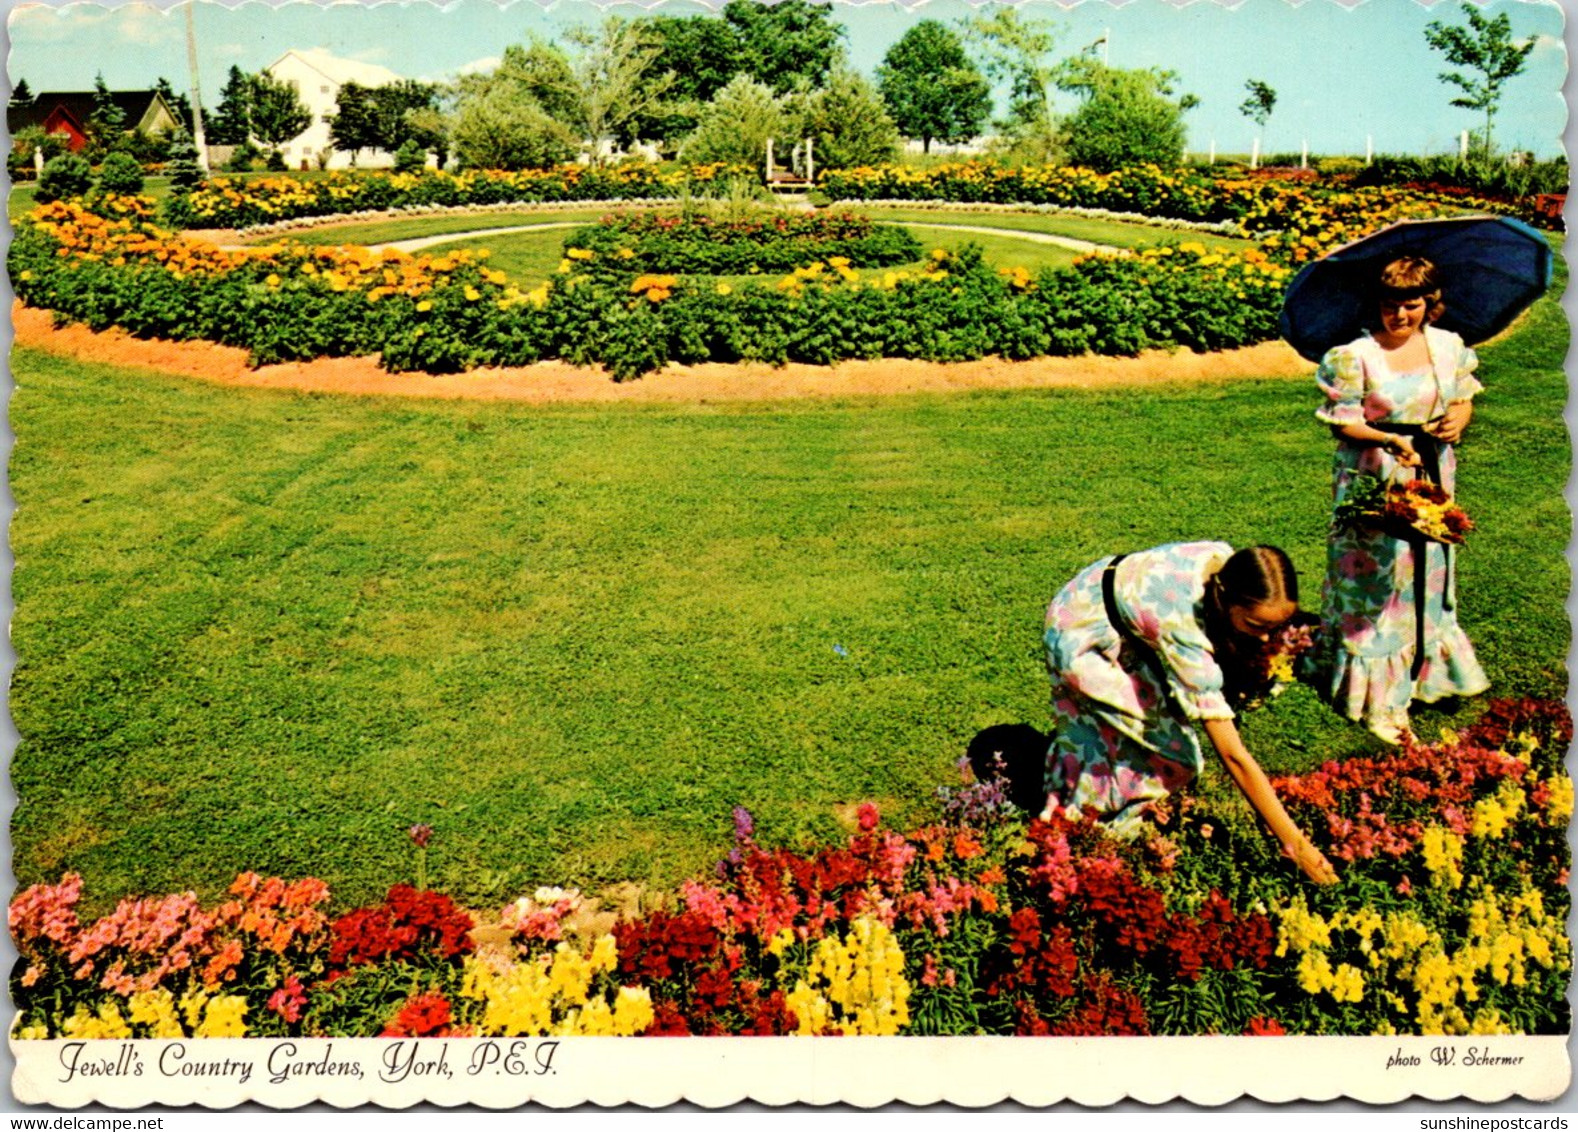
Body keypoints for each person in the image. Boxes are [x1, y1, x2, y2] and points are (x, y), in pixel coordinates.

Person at [1042, 541, 1337, 885]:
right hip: (1079, 629)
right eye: (1257, 625)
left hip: (1109, 605)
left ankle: (1098, 799)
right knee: (1175, 756)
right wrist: (1298, 846)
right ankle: (1089, 836)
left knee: (1137, 736)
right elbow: (1233, 755)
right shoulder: (1183, 626)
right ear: (1226, 598)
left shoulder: (1226, 564)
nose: (1268, 638)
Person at [1313, 256, 1489, 744]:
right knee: (1378, 575)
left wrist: (1460, 417)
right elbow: (1340, 420)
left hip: (1431, 470)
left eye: (1411, 305)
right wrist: (1386, 440)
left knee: (1427, 567)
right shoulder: (1354, 356)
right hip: (1374, 473)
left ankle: (1425, 672)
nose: (1400, 316)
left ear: (1430, 304)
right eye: (1390, 306)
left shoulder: (1447, 347)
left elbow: (1462, 395)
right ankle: (1379, 695)